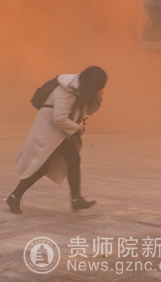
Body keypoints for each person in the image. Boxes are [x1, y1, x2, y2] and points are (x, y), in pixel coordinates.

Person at [6, 66, 107, 213]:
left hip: (60, 133)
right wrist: (77, 128)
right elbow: (59, 118)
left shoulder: (80, 89)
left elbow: (88, 111)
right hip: (47, 132)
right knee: (41, 167)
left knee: (73, 159)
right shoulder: (67, 91)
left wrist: (97, 99)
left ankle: (76, 199)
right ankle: (14, 197)